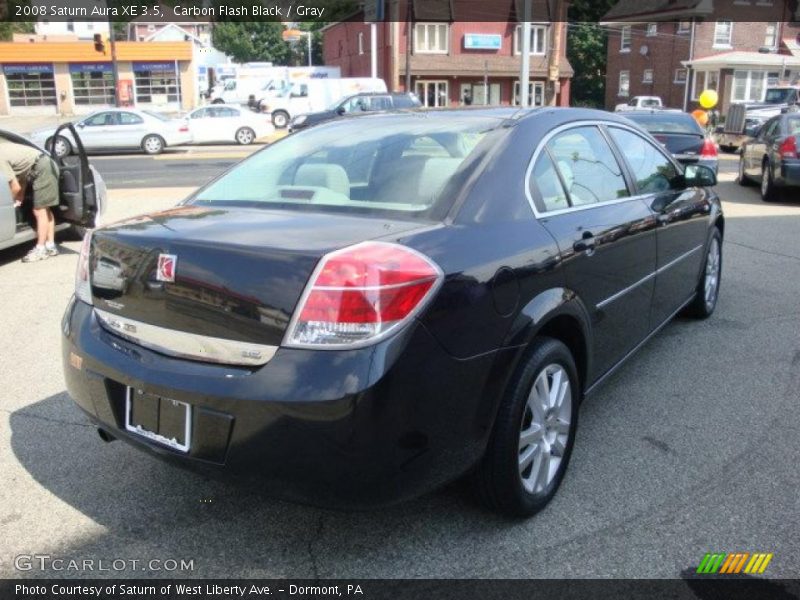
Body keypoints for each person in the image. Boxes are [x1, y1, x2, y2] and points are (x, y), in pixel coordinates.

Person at [1, 141, 60, 262]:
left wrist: (7, 202)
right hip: (44, 164)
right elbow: (22, 173)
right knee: (45, 209)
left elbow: (15, 186)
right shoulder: (4, 148)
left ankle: (40, 249)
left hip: (42, 167)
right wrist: (20, 197)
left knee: (39, 210)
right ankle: (50, 246)